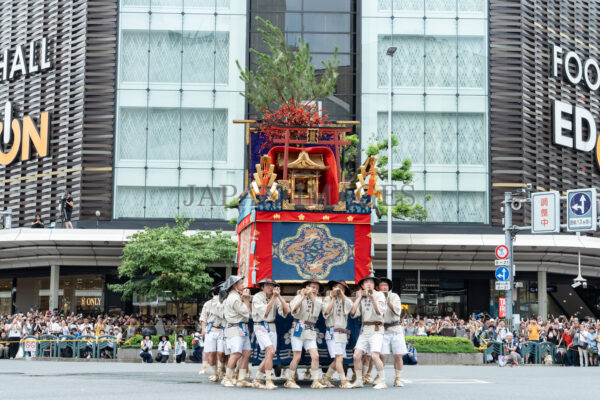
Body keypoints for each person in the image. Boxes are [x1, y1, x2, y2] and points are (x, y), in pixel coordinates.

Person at [251, 276, 290, 390]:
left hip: (272, 326)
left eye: (272, 285)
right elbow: (266, 312)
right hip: (261, 325)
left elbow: (287, 311)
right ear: (262, 287)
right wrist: (274, 297)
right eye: (267, 285)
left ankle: (257, 379)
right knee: (271, 350)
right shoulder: (257, 297)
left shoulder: (275, 297)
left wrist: (279, 297)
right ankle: (268, 380)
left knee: (270, 354)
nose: (270, 287)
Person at [350, 274, 387, 389]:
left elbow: (379, 312)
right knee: (356, 355)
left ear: (374, 285)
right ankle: (359, 380)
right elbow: (353, 313)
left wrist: (372, 298)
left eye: (371, 282)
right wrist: (359, 298)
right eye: (366, 282)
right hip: (365, 329)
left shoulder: (379, 295)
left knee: (375, 356)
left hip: (376, 328)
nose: (369, 284)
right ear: (362, 285)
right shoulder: (361, 296)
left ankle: (382, 381)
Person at [286, 279, 325, 389]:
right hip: (298, 327)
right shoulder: (298, 297)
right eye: (313, 287)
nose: (315, 290)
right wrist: (303, 296)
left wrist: (311, 295)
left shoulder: (318, 300)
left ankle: (316, 380)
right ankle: (290, 380)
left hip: (310, 329)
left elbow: (316, 311)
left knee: (315, 355)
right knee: (297, 356)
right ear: (306, 287)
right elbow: (293, 310)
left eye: (317, 288)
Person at [222, 275, 253, 388]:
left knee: (247, 352)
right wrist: (246, 299)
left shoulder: (235, 296)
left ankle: (241, 378)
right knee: (236, 353)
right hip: (235, 327)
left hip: (241, 327)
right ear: (234, 286)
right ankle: (227, 378)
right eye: (241, 284)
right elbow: (246, 312)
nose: (243, 286)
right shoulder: (234, 298)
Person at [322, 280, 353, 389]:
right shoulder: (327, 299)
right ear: (333, 288)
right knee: (339, 357)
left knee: (338, 359)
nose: (339, 290)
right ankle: (343, 381)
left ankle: (326, 379)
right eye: (337, 287)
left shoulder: (346, 300)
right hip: (332, 331)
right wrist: (333, 298)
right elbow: (326, 312)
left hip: (342, 333)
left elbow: (350, 309)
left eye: (342, 288)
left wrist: (342, 294)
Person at [378, 277, 407, 387]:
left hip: (395, 328)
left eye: (386, 285)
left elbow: (397, 311)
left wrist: (387, 300)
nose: (384, 287)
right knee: (382, 355)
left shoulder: (394, 296)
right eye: (382, 285)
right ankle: (381, 377)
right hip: (382, 329)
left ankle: (398, 378)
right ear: (378, 287)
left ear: (389, 287)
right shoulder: (376, 297)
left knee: (398, 355)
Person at [200, 283, 226, 381]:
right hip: (211, 329)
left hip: (222, 329)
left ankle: (222, 369)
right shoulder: (207, 304)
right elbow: (203, 318)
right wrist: (203, 328)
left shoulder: (225, 301)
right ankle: (214, 373)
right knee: (212, 352)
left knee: (221, 352)